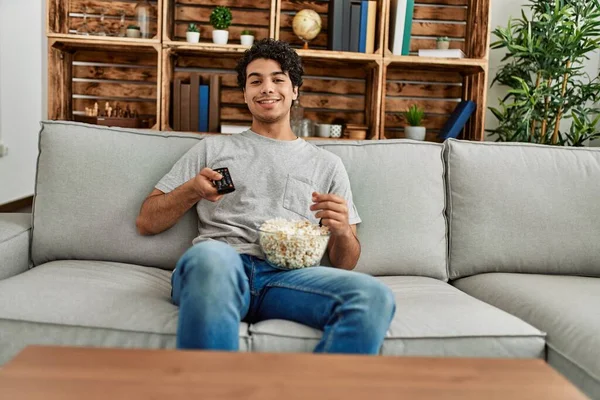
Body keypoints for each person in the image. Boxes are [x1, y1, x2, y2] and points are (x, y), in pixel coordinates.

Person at [136, 39, 395, 354]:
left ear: (295, 89)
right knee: (210, 258)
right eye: (255, 81)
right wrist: (192, 190)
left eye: (278, 79)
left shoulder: (327, 165)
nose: (266, 88)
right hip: (221, 267)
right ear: (245, 94)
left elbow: (346, 262)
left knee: (373, 296)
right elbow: (147, 221)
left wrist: (341, 231)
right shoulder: (213, 149)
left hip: (289, 280)